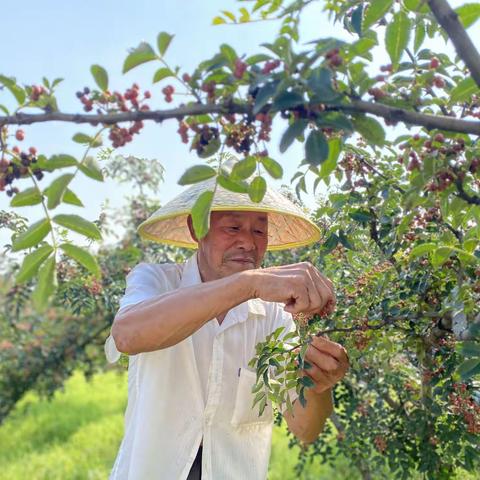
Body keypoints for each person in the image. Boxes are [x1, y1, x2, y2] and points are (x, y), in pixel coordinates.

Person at [104, 176, 349, 480]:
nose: (248, 242)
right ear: (197, 229)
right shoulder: (155, 281)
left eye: (259, 230)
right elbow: (127, 335)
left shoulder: (274, 316)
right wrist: (250, 283)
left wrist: (320, 385)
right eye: (233, 228)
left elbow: (305, 428)